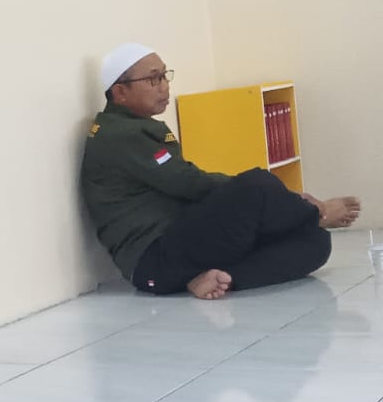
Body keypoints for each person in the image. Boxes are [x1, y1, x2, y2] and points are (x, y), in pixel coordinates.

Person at [81, 43, 361, 299]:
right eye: (153, 79)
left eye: (165, 76)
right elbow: (188, 183)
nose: (164, 86)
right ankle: (319, 212)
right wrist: (262, 194)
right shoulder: (120, 135)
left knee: (314, 242)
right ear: (120, 92)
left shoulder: (130, 127)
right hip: (155, 257)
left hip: (180, 245)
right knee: (257, 185)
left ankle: (215, 279)